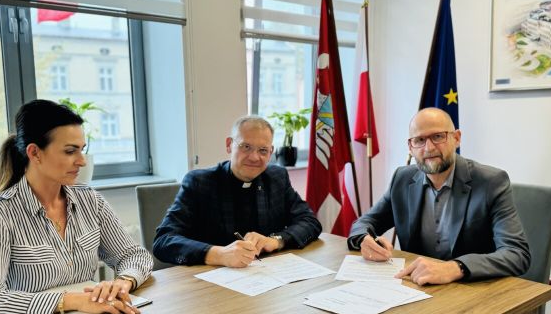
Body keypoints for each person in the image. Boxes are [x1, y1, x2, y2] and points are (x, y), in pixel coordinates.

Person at [0, 100, 153, 314]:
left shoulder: (90, 200)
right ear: (35, 153)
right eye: (70, 151)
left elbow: (134, 255)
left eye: (82, 150)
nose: (81, 161)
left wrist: (123, 282)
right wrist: (72, 301)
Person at [348, 107, 530, 285]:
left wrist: (456, 267)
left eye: (437, 137)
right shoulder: (402, 179)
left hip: (470, 290)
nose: (429, 148)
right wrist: (363, 239)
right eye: (419, 140)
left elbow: (516, 254)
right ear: (410, 147)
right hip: (416, 286)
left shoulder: (491, 182)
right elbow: (364, 223)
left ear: (456, 138)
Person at [153, 116, 322, 267]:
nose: (254, 157)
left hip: (265, 275)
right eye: (246, 147)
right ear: (229, 145)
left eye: (263, 150)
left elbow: (310, 221)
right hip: (210, 280)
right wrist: (218, 254)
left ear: (270, 152)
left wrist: (276, 241)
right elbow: (163, 241)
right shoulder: (199, 182)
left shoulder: (277, 177)